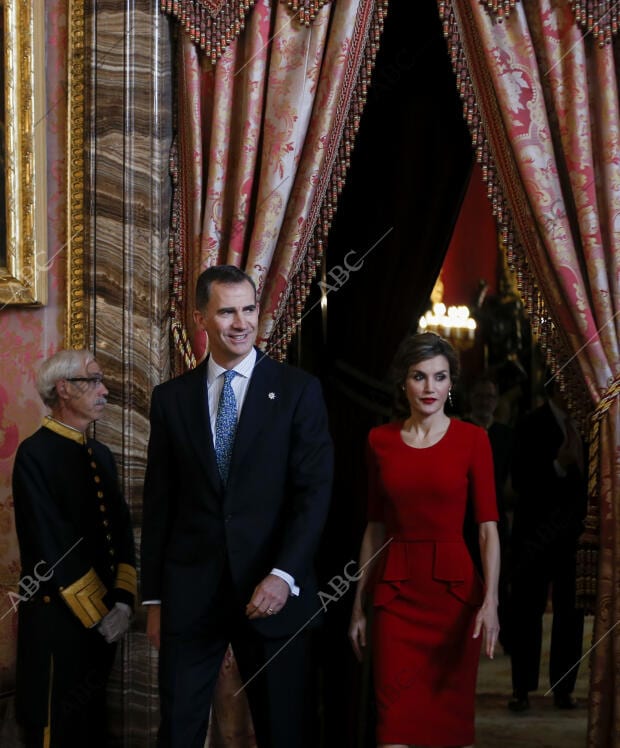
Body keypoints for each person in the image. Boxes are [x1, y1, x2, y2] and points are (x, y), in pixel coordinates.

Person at [140, 264, 334, 748]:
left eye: (248, 309)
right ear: (201, 317)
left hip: (271, 594)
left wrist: (283, 574)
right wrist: (155, 599)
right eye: (226, 311)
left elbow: (313, 495)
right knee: (179, 730)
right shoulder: (171, 399)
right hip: (190, 598)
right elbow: (159, 503)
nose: (241, 322)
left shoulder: (298, 391)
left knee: (283, 729)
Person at [348, 332, 500, 748]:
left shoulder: (474, 440)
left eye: (440, 377)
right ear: (404, 381)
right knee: (393, 727)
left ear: (451, 384)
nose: (430, 388)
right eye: (420, 376)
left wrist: (491, 602)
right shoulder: (379, 441)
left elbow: (488, 529)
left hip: (454, 601)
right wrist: (358, 604)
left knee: (450, 730)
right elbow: (374, 527)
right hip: (395, 597)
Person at [11, 349, 137, 747]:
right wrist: (101, 610)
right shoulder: (35, 453)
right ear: (63, 389)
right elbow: (52, 544)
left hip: (103, 625)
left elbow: (120, 533)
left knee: (91, 727)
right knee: (57, 730)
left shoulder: (99, 455)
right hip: (58, 623)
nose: (104, 391)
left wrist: (123, 601)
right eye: (95, 381)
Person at [507, 377, 587, 712]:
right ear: (557, 388)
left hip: (574, 537)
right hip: (535, 536)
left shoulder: (587, 424)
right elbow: (521, 480)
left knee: (571, 614)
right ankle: (521, 690)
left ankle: (563, 688)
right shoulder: (529, 424)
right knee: (528, 611)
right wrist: (558, 464)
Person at [462, 373, 514, 650]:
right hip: (463, 519)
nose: (485, 402)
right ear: (472, 399)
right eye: (480, 396)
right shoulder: (459, 430)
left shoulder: (505, 435)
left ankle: (498, 635)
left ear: (496, 401)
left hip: (496, 517)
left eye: (490, 397)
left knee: (498, 577)